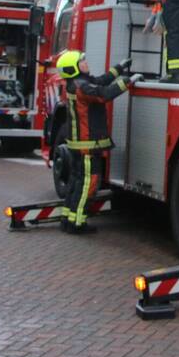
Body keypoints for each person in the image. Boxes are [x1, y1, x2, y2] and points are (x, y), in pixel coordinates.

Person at [55, 50, 131, 234]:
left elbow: (100, 81)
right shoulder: (82, 87)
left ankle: (67, 219)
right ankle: (77, 223)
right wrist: (128, 82)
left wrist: (119, 68)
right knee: (87, 185)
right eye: (82, 62)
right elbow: (104, 93)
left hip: (79, 146)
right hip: (87, 148)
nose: (86, 63)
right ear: (73, 68)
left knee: (76, 182)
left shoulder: (77, 84)